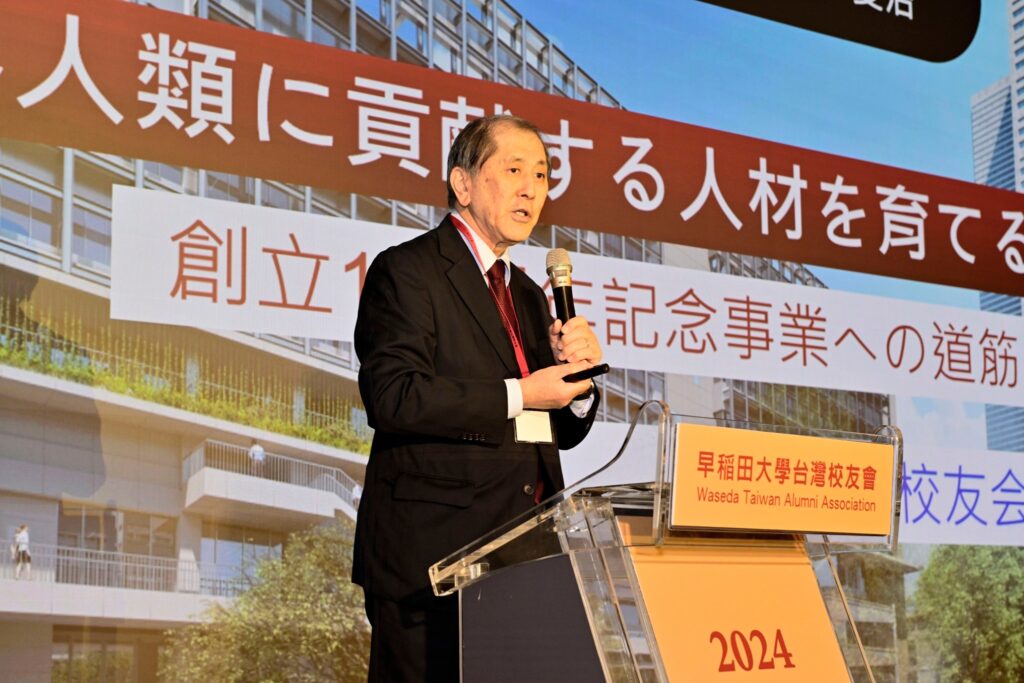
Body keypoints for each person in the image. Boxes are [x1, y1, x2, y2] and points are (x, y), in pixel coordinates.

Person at [352, 113, 603, 682]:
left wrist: (579, 384)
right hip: (432, 563)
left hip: (525, 559)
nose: (531, 189)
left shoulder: (531, 294)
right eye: (514, 170)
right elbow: (394, 396)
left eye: (541, 175)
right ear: (462, 183)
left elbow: (556, 428)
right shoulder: (408, 270)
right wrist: (521, 393)